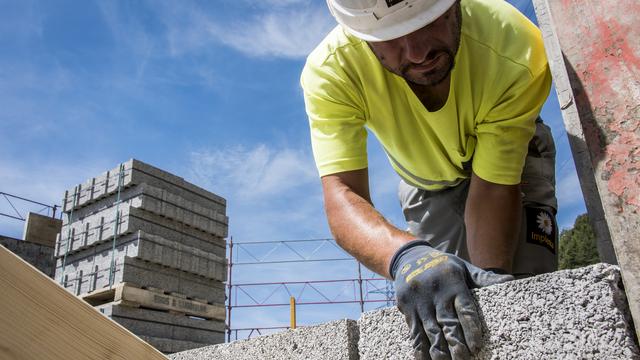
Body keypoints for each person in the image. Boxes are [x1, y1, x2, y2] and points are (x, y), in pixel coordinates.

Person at [301, 0, 558, 359]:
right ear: (361, 36)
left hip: (514, 162)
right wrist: (406, 257)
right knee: (438, 290)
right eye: (390, 39)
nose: (418, 52)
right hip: (425, 182)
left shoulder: (514, 45)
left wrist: (492, 291)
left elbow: (494, 186)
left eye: (428, 23)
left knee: (518, 296)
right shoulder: (331, 70)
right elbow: (343, 193)